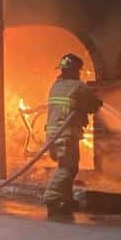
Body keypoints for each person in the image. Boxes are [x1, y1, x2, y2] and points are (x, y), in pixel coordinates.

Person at [43, 53, 102, 219]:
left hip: (53, 135)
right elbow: (92, 105)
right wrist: (97, 103)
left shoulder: (55, 85)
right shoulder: (78, 86)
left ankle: (65, 199)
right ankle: (52, 197)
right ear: (77, 70)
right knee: (68, 168)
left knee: (66, 165)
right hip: (66, 134)